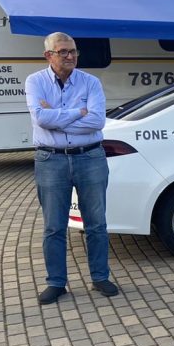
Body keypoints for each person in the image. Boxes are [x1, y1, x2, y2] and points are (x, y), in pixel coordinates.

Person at [25, 32, 118, 305]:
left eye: (73, 51)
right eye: (63, 52)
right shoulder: (35, 82)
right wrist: (79, 113)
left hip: (90, 157)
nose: (70, 56)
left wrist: (57, 117)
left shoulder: (91, 82)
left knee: (97, 224)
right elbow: (41, 119)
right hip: (50, 160)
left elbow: (97, 122)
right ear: (48, 55)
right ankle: (56, 283)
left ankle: (100, 277)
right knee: (54, 226)